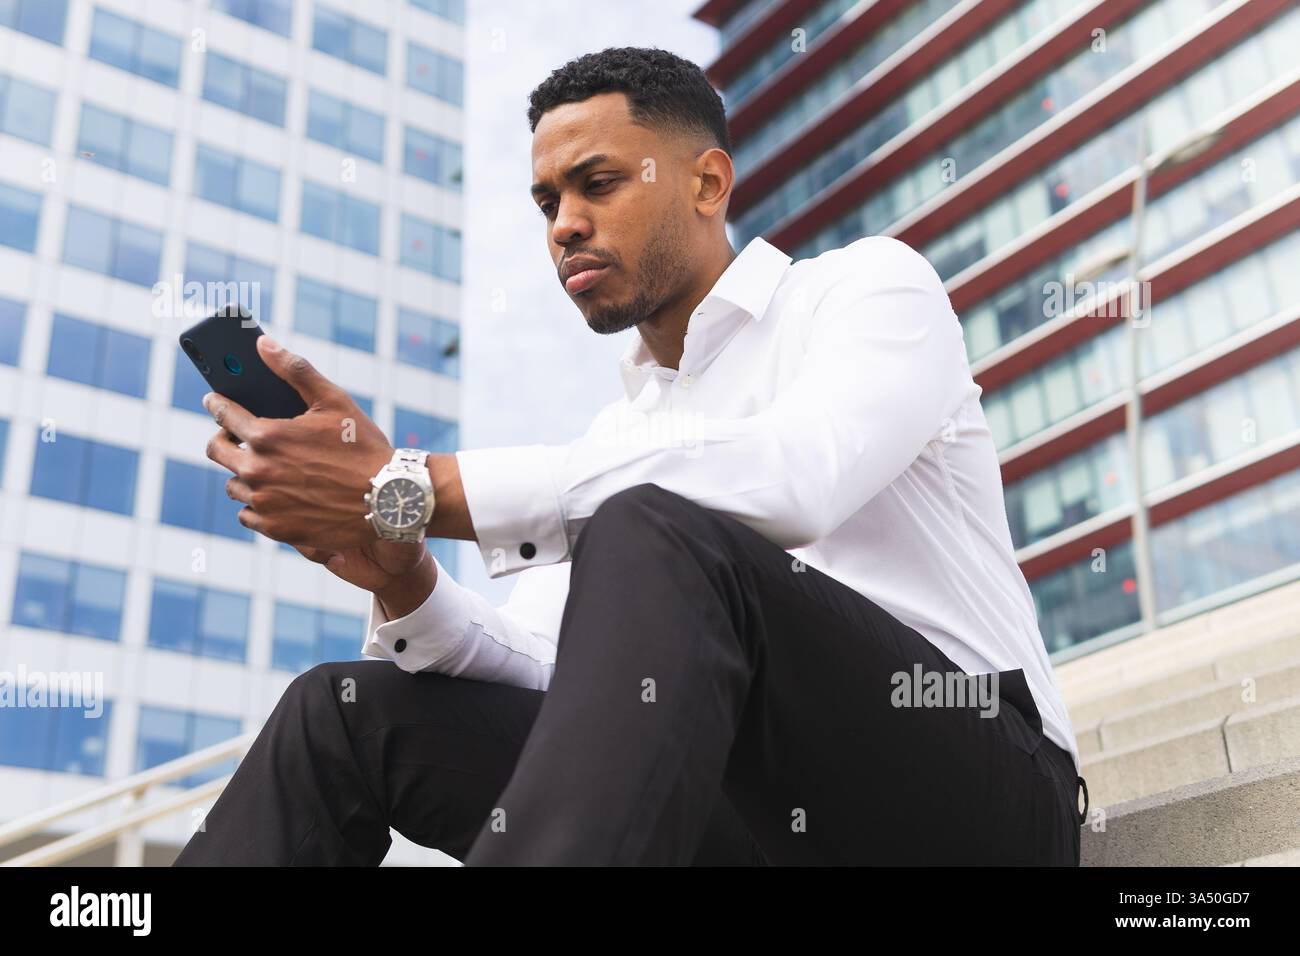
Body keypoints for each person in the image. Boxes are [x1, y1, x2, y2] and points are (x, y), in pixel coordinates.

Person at [174, 46, 1087, 867]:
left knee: (652, 521)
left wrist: (413, 487)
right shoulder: (613, 445)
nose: (563, 224)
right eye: (547, 202)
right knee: (342, 709)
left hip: (973, 797)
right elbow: (545, 672)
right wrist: (404, 569)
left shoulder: (866, 289)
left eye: (596, 183)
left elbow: (797, 476)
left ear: (706, 182)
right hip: (746, 826)